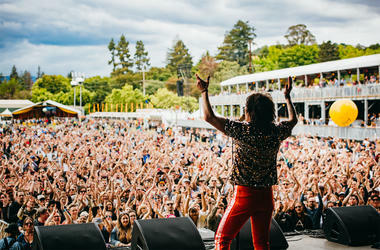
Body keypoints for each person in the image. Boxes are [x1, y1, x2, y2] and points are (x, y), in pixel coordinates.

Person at [196, 74, 297, 250]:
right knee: (261, 243)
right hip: (266, 196)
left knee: (222, 239)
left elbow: (209, 117)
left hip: (244, 195)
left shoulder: (242, 130)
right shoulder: (276, 131)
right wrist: (288, 98)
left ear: (248, 111)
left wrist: (204, 91)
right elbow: (293, 120)